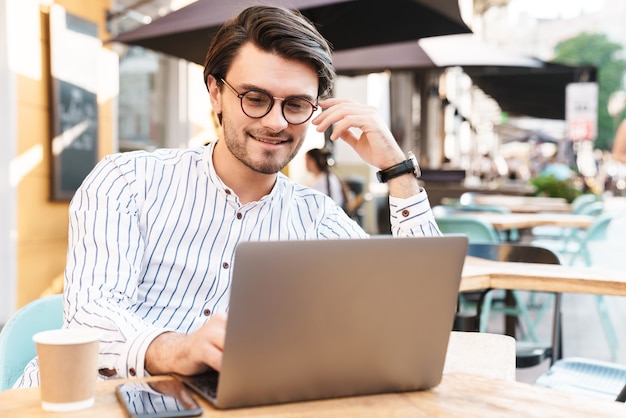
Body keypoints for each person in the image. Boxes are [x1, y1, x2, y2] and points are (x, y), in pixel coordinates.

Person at [15, 4, 440, 387]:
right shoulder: (128, 181)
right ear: (216, 92)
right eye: (255, 98)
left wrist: (396, 166)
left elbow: (416, 314)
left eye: (295, 104)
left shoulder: (317, 218)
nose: (276, 122)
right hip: (84, 401)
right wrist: (182, 350)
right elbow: (92, 318)